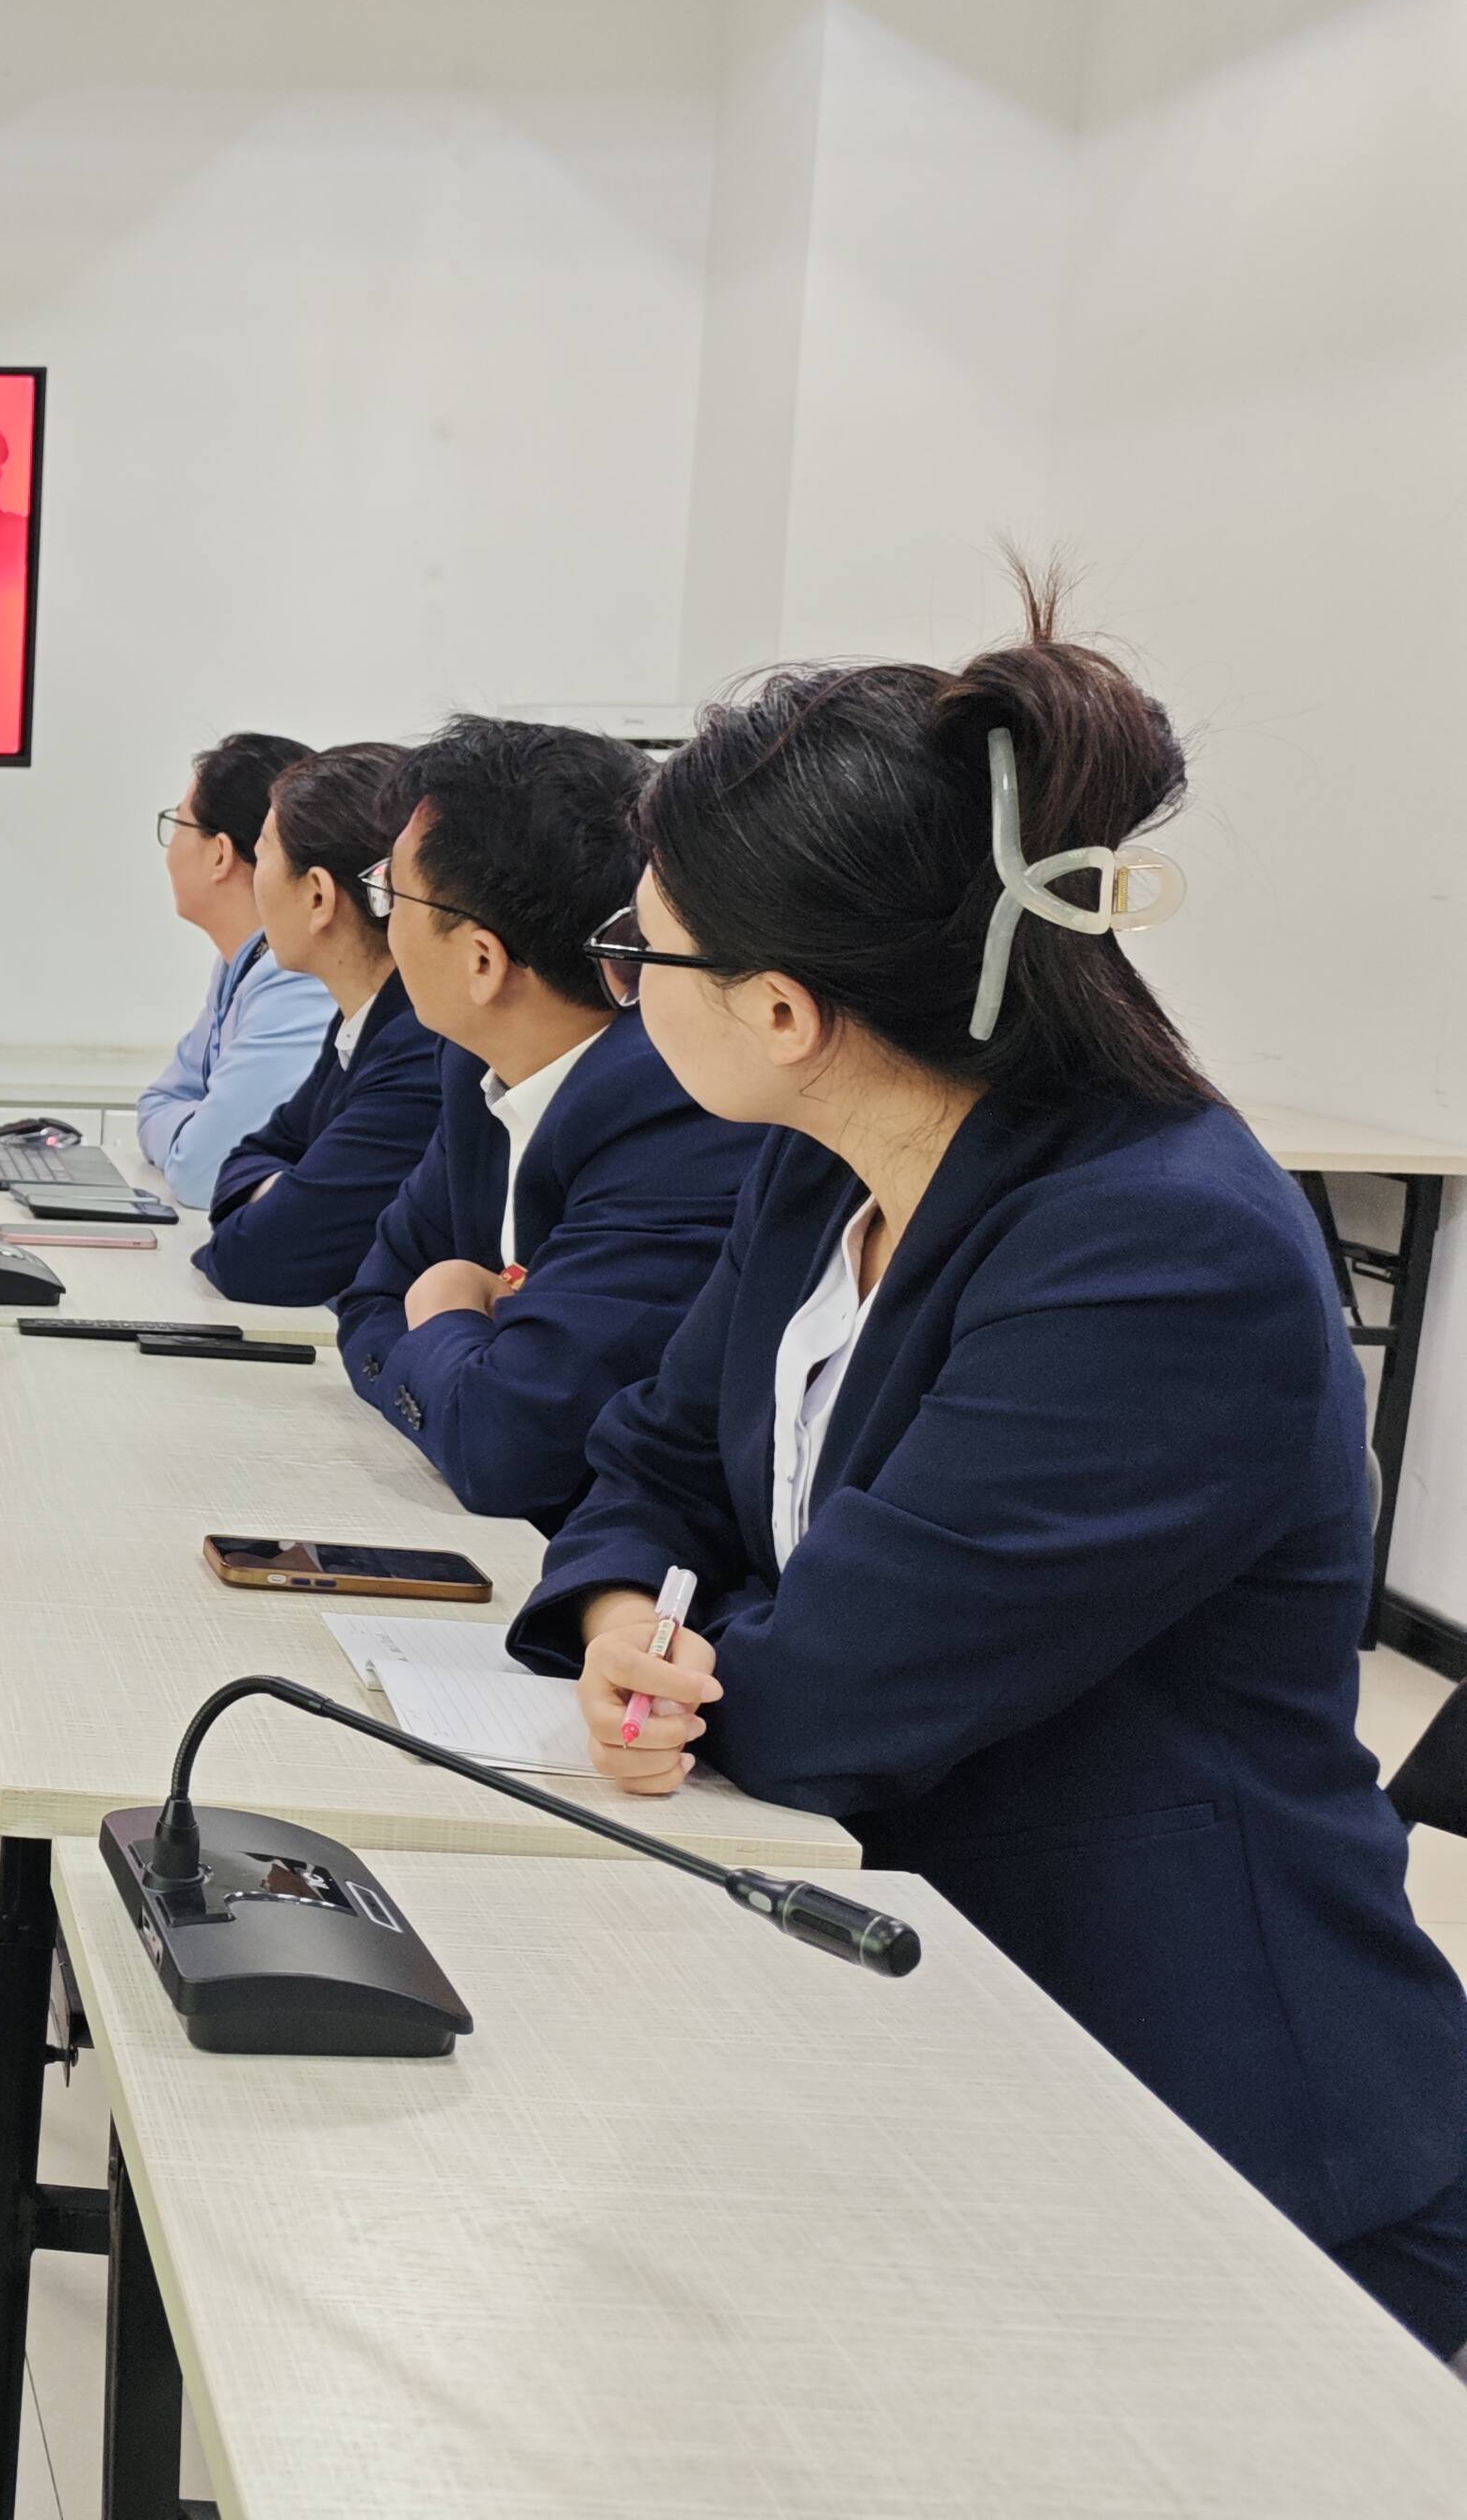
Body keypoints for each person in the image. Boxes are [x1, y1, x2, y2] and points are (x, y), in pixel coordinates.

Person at [512, 592, 1467, 2355]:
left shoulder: (1159, 1252)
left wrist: (696, 1671)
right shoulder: (822, 1163)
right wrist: (622, 1613)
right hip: (943, 2007)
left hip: (1207, 2112)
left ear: (783, 1007)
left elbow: (842, 1695)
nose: (620, 984)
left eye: (641, 952)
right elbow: (651, 1455)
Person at [335, 718, 756, 1528]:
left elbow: (508, 1445)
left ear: (482, 961)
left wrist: (447, 1310)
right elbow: (371, 1301)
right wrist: (467, 1350)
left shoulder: (677, 1110)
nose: (383, 919)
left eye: (392, 892)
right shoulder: (474, 1065)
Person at [195, 743, 444, 1309]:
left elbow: (259, 1258)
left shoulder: (420, 1048)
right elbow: (253, 1153)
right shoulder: (364, 1018)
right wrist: (284, 1188)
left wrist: (284, 1192)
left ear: (317, 896)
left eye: (263, 855)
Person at [134, 732, 340, 1206]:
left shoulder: (300, 980)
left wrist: (195, 1133)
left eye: (178, 824)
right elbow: (157, 1103)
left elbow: (206, 1169)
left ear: (220, 854)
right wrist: (195, 1128)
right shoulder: (240, 962)